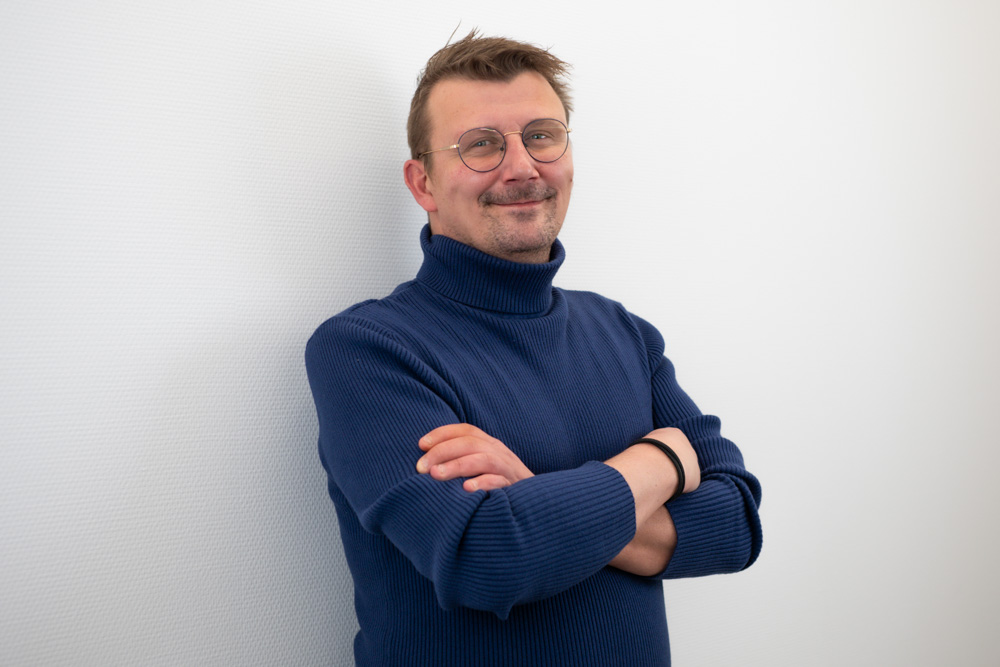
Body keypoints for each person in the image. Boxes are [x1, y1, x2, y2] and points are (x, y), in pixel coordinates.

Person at [306, 31, 762, 666]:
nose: (522, 167)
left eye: (542, 136)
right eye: (481, 144)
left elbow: (736, 525)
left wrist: (533, 496)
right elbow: (487, 558)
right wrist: (660, 460)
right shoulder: (366, 350)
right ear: (423, 183)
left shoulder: (625, 333)